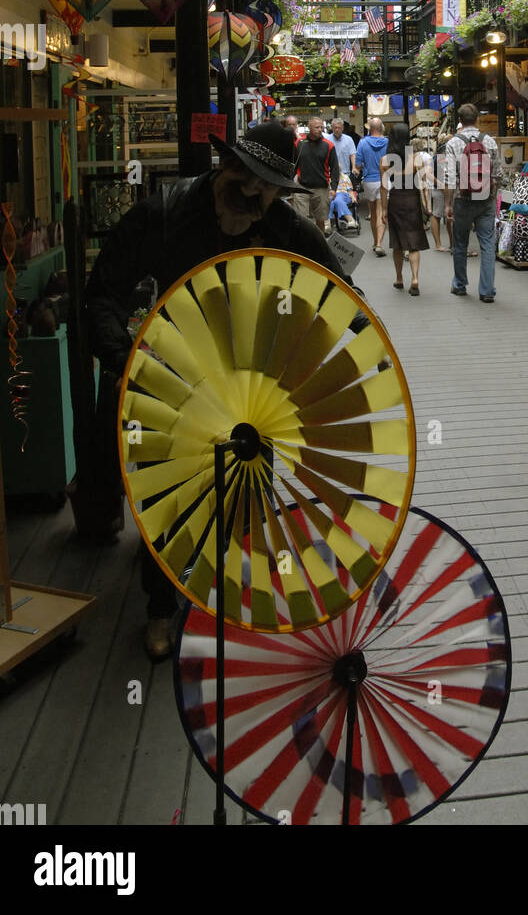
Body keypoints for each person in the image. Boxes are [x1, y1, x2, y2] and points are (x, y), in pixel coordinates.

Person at [84, 122, 359, 661]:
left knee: (242, 496)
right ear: (226, 169)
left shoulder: (285, 227)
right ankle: (161, 608)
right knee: (167, 496)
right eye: (249, 184)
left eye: (271, 191)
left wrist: (313, 351)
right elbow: (101, 295)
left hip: (252, 387)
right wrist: (126, 363)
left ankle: (237, 598)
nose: (256, 201)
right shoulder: (163, 216)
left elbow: (343, 303)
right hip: (173, 378)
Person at [442, 102, 500, 302]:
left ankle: (459, 285)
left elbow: (449, 177)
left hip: (462, 199)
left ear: (459, 121)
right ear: (477, 119)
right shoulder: (490, 142)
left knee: (460, 244)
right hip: (486, 200)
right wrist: (493, 195)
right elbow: (498, 174)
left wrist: (447, 204)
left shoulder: (453, 143)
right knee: (487, 244)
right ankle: (486, 291)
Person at [380, 121, 429, 295]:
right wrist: (426, 205)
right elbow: (423, 184)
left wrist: (384, 210)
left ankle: (399, 278)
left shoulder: (385, 160)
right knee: (413, 242)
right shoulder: (416, 158)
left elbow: (384, 187)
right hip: (412, 200)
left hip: (396, 201)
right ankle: (415, 278)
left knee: (398, 243)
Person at [294, 115, 339, 233]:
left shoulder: (328, 145)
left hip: (321, 188)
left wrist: (333, 188)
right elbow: (293, 165)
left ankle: (319, 245)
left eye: (321, 127)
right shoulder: (299, 143)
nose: (320, 129)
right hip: (302, 188)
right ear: (309, 127)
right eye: (317, 127)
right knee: (302, 220)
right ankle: (303, 247)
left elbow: (334, 168)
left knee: (321, 220)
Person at [354, 118, 389, 255]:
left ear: (370, 129)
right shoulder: (388, 142)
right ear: (381, 128)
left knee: (373, 213)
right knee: (381, 212)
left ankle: (375, 242)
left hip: (369, 181)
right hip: (384, 180)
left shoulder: (362, 143)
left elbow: (357, 165)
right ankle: (380, 243)